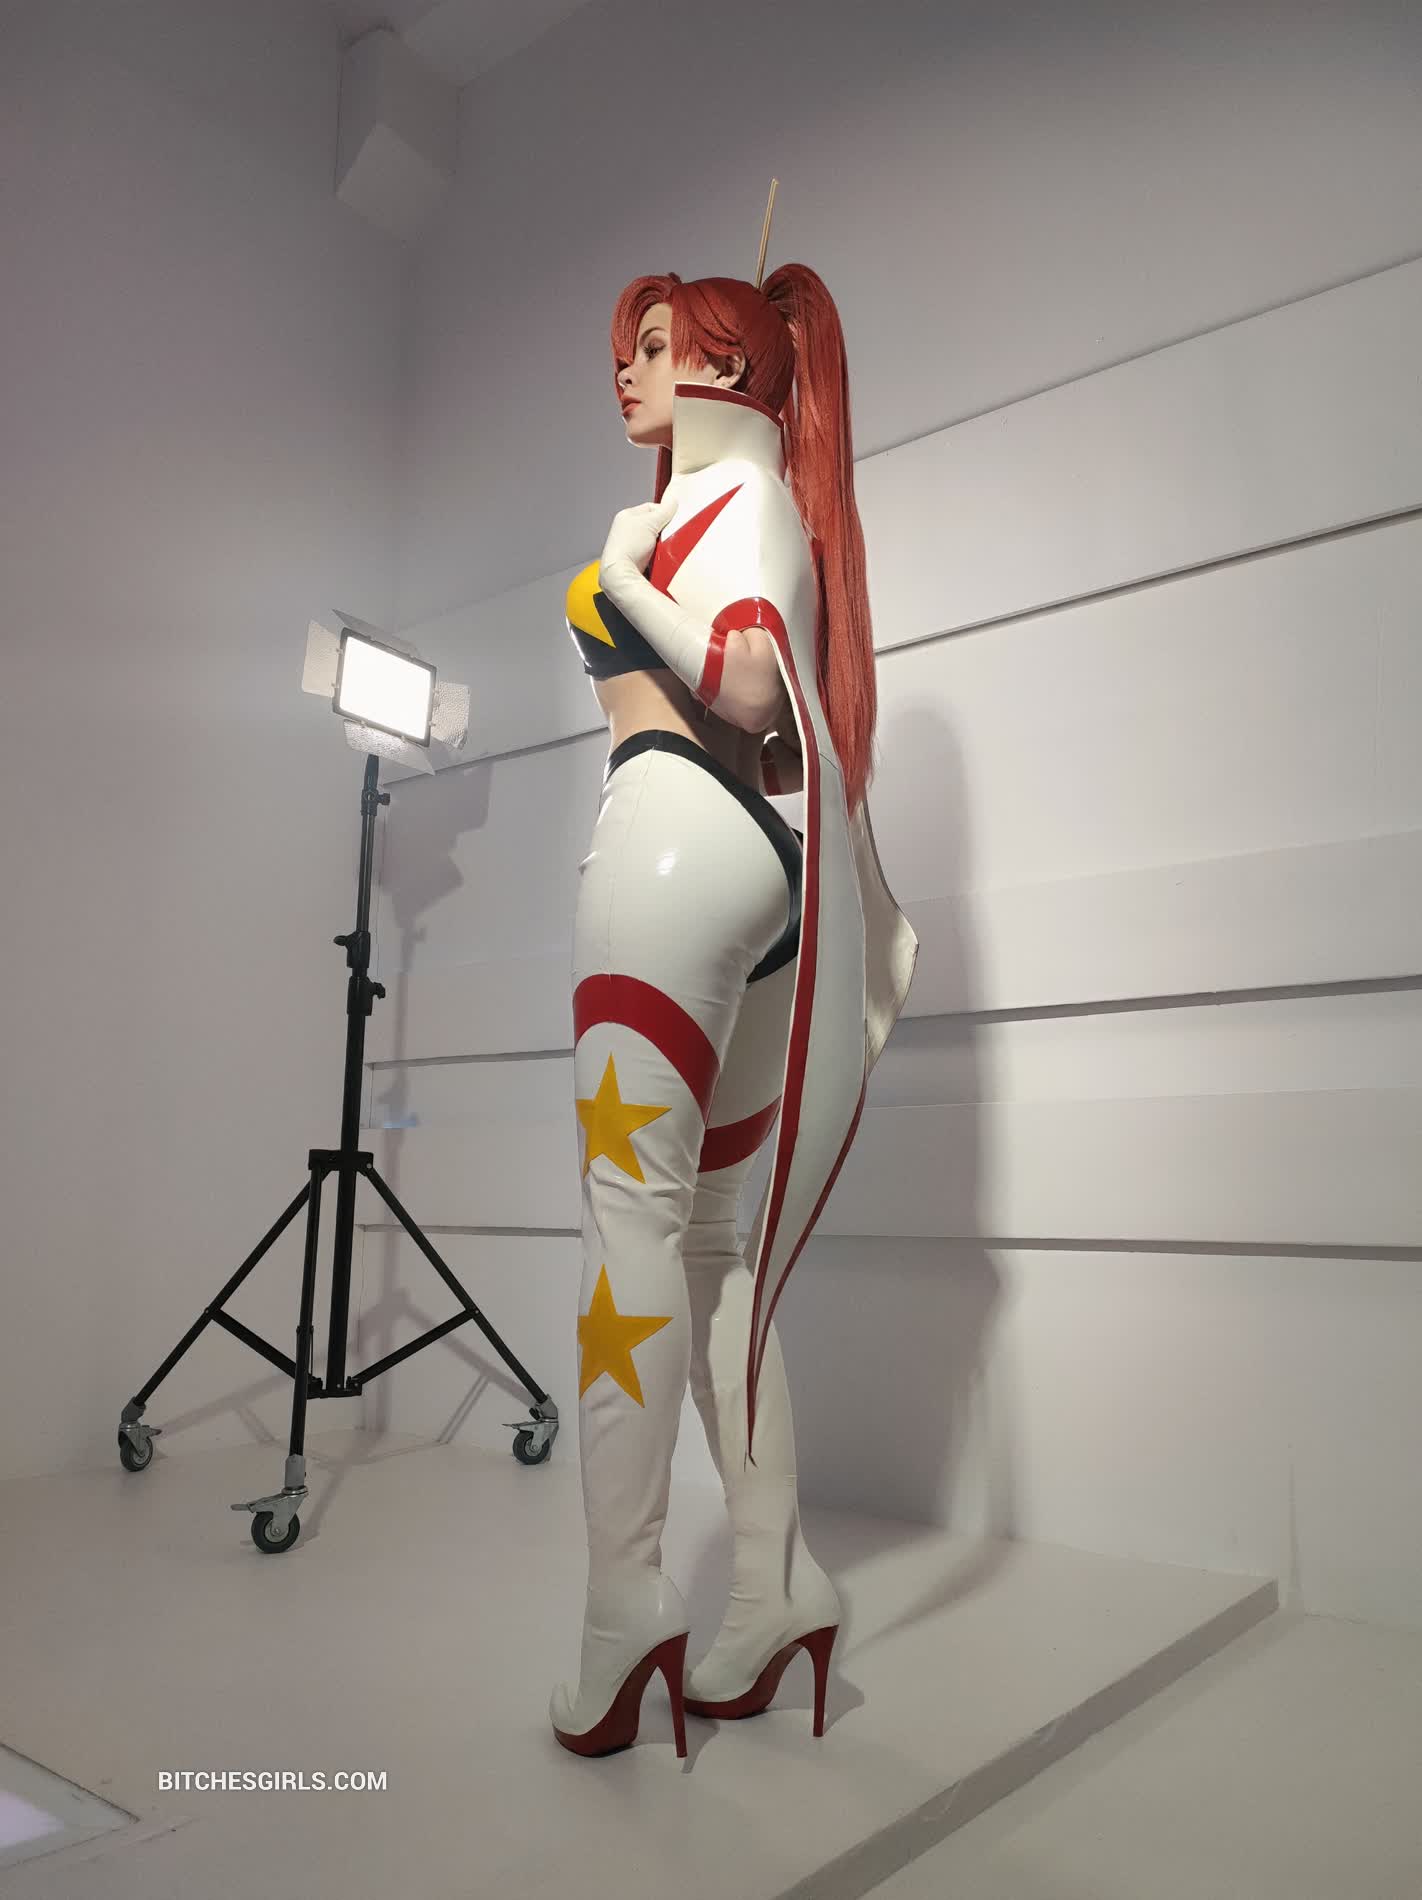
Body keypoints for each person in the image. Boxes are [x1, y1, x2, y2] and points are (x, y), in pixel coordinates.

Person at [550, 263, 918, 1758]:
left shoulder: (733, 504)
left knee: (630, 1227)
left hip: (670, 844)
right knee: (708, 1252)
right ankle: (773, 1588)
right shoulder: (740, 504)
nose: (626, 372)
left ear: (725, 365)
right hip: (752, 870)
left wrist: (619, 571)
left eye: (652, 346)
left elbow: (754, 688)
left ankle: (620, 1607)